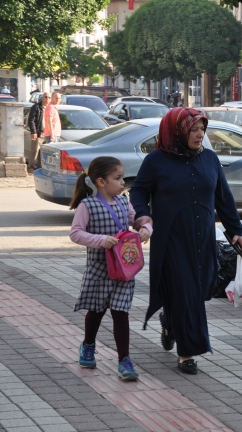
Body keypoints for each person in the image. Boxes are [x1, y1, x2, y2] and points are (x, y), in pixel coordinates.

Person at [129, 108, 242, 375]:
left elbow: (224, 197)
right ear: (178, 131)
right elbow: (138, 191)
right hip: (171, 238)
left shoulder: (210, 159)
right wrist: (144, 216)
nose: (200, 135)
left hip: (202, 237)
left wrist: (235, 230)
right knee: (186, 292)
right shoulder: (156, 160)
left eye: (202, 129)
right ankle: (188, 352)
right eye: (194, 130)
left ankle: (169, 321)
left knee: (200, 289)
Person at [69, 156, 151, 381]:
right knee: (96, 310)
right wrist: (100, 240)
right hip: (99, 269)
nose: (123, 182)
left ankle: (124, 360)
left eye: (122, 177)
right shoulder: (88, 205)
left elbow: (139, 221)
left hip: (124, 270)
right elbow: (75, 233)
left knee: (120, 312)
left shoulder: (125, 202)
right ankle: (88, 345)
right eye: (117, 178)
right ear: (101, 181)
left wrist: (146, 229)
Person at [27, 92, 49, 169]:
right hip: (38, 132)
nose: (47, 99)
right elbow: (31, 120)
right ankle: (31, 167)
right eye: (45, 97)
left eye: (49, 97)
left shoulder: (50, 108)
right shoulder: (36, 107)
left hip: (47, 133)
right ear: (42, 98)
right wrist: (34, 132)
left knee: (43, 152)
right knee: (35, 151)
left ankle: (40, 167)